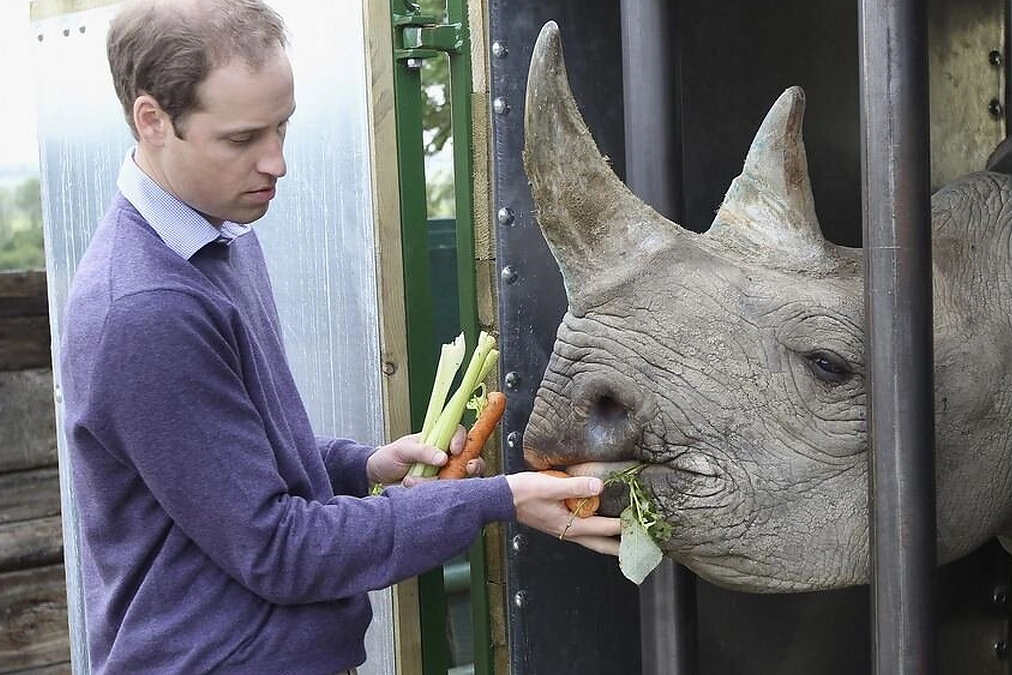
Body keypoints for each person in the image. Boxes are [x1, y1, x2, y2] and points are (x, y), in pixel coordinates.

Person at [59, 1, 621, 673]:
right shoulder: (145, 309)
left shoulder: (219, 234)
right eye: (243, 139)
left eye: (283, 127)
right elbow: (278, 548)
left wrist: (362, 464)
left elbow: (229, 461)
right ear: (153, 120)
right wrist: (496, 498)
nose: (277, 162)